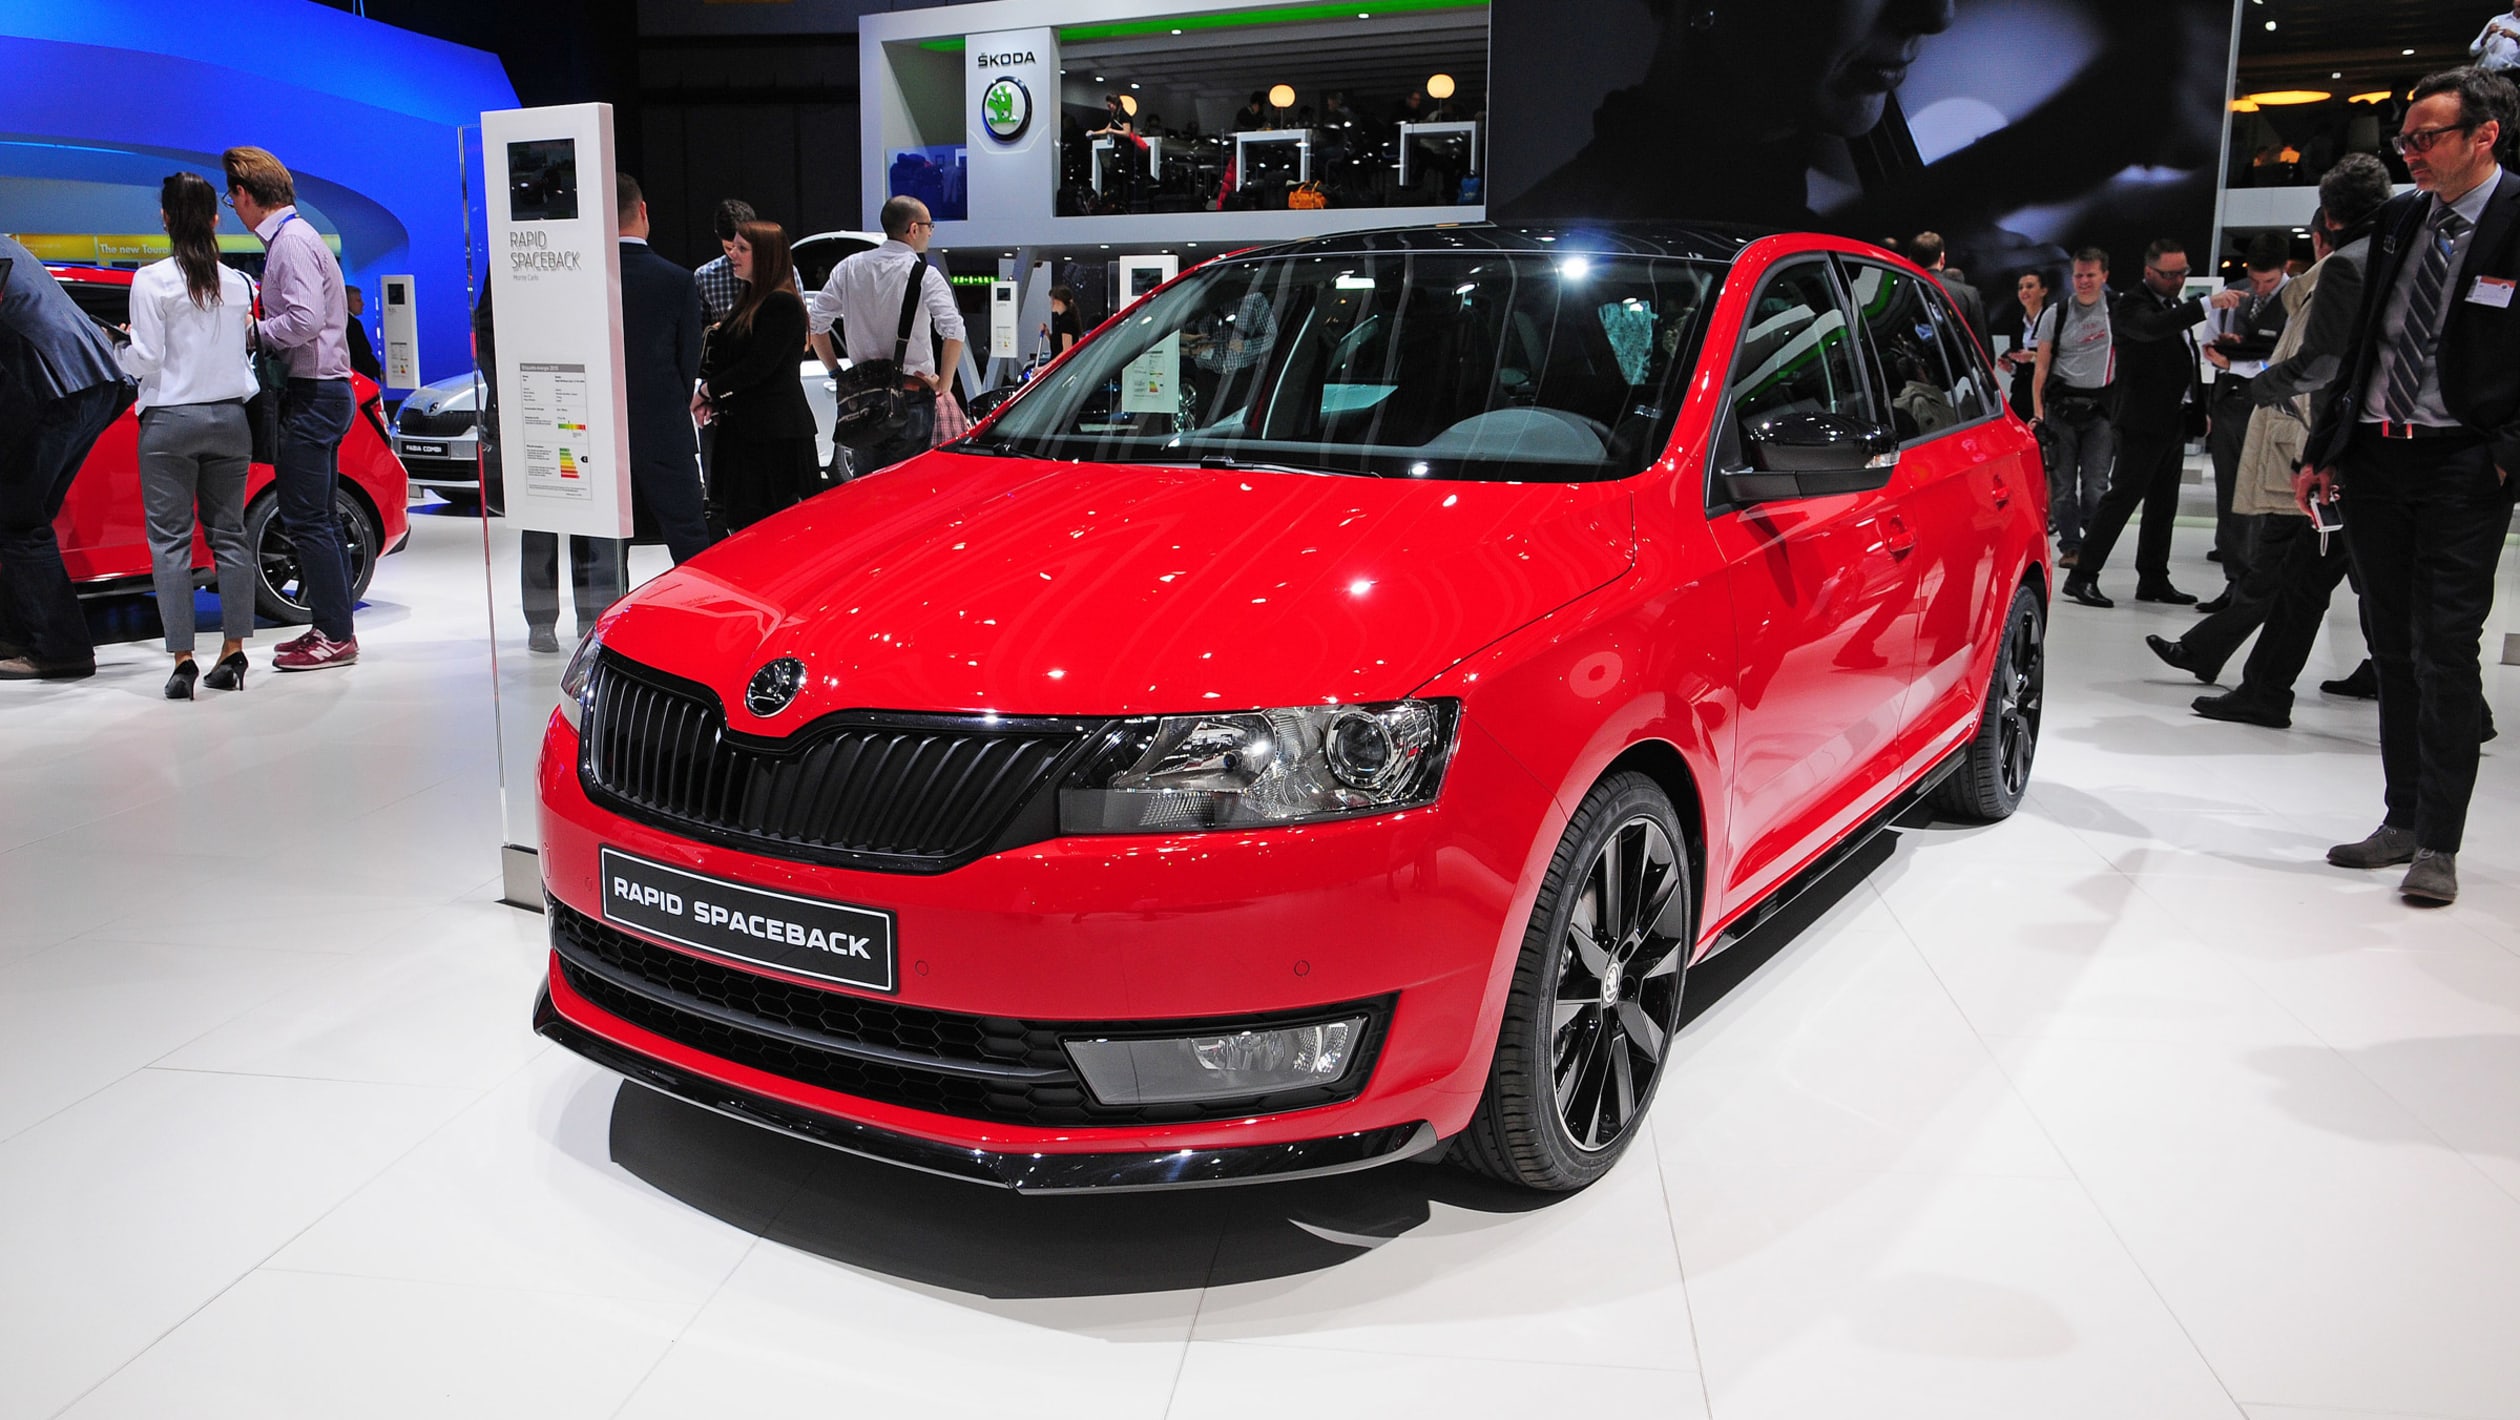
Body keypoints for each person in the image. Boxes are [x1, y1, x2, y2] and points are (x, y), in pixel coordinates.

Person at [2298, 67, 2520, 905]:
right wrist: (2325, 447)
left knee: (2445, 646)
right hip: (2377, 458)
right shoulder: (2398, 219)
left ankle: (2439, 843)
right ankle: (2401, 817)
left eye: (2427, 138)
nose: (2410, 153)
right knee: (2390, 643)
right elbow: (2364, 348)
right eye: (2405, 139)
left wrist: (2506, 453)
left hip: (2465, 463)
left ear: (2484, 135)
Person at [2164, 157, 2394, 725]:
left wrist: (2261, 386)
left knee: (2321, 579)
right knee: (2322, 579)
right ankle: (2259, 686)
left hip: (2346, 448)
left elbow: (2323, 363)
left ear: (2327, 221)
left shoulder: (2346, 267)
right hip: (2368, 446)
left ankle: (2261, 688)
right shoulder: (2394, 254)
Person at [518, 174, 714, 653]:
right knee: (688, 534)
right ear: (642, 211)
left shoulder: (577, 279)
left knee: (603, 544)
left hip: (590, 429)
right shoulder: (676, 279)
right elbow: (687, 362)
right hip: (662, 427)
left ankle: (604, 632)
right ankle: (704, 626)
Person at [117, 173, 259, 697]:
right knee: (231, 536)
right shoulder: (239, 284)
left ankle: (182, 660)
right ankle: (234, 651)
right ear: (216, 220)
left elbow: (147, 358)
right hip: (230, 420)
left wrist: (119, 351)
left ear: (165, 219)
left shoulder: (150, 280)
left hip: (170, 423)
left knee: (170, 543)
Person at [224, 145, 360, 671]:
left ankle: (334, 635)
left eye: (231, 197)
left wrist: (254, 332)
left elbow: (303, 319)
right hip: (322, 390)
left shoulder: (291, 243)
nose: (232, 207)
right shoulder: (297, 237)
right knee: (318, 518)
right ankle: (333, 629)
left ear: (244, 194)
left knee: (308, 519)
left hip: (313, 392)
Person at [2060, 238, 2246, 608]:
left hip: (2171, 420)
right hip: (2141, 422)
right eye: (2169, 274)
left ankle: (2153, 578)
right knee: (2121, 500)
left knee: (2163, 504)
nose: (2177, 280)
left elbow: (2182, 357)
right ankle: (2082, 576)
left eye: (2182, 273)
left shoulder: (2170, 304)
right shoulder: (2131, 304)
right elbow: (2152, 328)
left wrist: (2197, 409)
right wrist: (2206, 304)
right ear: (2148, 272)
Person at [0, 234, 134, 682]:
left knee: (18, 518)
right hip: (89, 380)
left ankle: (60, 649)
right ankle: (19, 636)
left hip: (54, 384)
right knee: (22, 516)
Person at [806, 196, 966, 478]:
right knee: (908, 487)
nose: (931, 232)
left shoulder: (849, 268)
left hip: (863, 398)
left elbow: (816, 324)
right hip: (911, 394)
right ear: (913, 229)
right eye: (929, 226)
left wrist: (835, 372)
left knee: (868, 487)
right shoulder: (924, 274)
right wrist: (944, 383)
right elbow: (953, 330)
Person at [695, 219, 818, 533]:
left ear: (765, 255)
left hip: (774, 437)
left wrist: (707, 391)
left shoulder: (782, 303)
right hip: (746, 433)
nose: (732, 254)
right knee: (743, 525)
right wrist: (715, 399)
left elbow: (758, 366)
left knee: (776, 529)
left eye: (742, 248)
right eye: (733, 247)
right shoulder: (749, 300)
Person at [2197, 234, 2294, 608]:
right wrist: (2222, 349)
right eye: (2254, 279)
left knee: (2273, 494)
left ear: (2285, 269)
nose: (2259, 288)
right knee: (2231, 493)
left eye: (2267, 281)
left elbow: (2290, 362)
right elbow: (2208, 345)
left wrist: (2237, 362)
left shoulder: (2299, 299)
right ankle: (2236, 582)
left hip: (2278, 407)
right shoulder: (2234, 295)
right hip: (2231, 403)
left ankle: (2268, 584)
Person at [2029, 249, 2119, 568]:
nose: (2083, 281)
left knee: (2096, 486)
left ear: (2104, 276)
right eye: (2078, 275)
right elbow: (2041, 366)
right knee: (2062, 487)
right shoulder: (2057, 313)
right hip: (2061, 410)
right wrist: (2038, 412)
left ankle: (2093, 543)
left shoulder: (2116, 311)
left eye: (2090, 275)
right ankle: (2071, 546)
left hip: (2102, 410)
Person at [1911, 231, 1989, 357]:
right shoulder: (1967, 294)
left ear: (1910, 259)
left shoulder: (1900, 291)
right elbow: (1981, 349)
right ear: (1942, 258)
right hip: (1956, 367)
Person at [693, 198, 757, 328]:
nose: (735, 255)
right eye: (729, 248)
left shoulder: (779, 271)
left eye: (742, 248)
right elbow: (697, 331)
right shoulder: (705, 276)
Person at [1999, 268, 2051, 419]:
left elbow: (2059, 357)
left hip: (2047, 392)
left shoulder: (2052, 320)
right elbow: (2021, 366)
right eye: (2020, 287)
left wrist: (2034, 357)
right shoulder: (2017, 324)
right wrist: (2011, 368)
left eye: (2030, 286)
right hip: (2022, 391)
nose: (2024, 291)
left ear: (2043, 291)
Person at [342, 284, 383, 384]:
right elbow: (364, 354)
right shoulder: (353, 325)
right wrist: (380, 374)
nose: (363, 304)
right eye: (358, 300)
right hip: (359, 378)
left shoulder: (338, 322)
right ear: (347, 302)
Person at [2473, 2, 2520, 73]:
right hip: (2484, 73)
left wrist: (2516, 36)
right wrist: (2487, 35)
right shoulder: (2498, 20)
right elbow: (2473, 50)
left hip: (2511, 75)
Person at [1046, 285, 1084, 357]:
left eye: (1052, 299)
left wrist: (1050, 363)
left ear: (1059, 301)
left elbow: (1066, 351)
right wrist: (1048, 335)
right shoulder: (1061, 319)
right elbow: (1058, 346)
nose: (1051, 302)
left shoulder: (1066, 321)